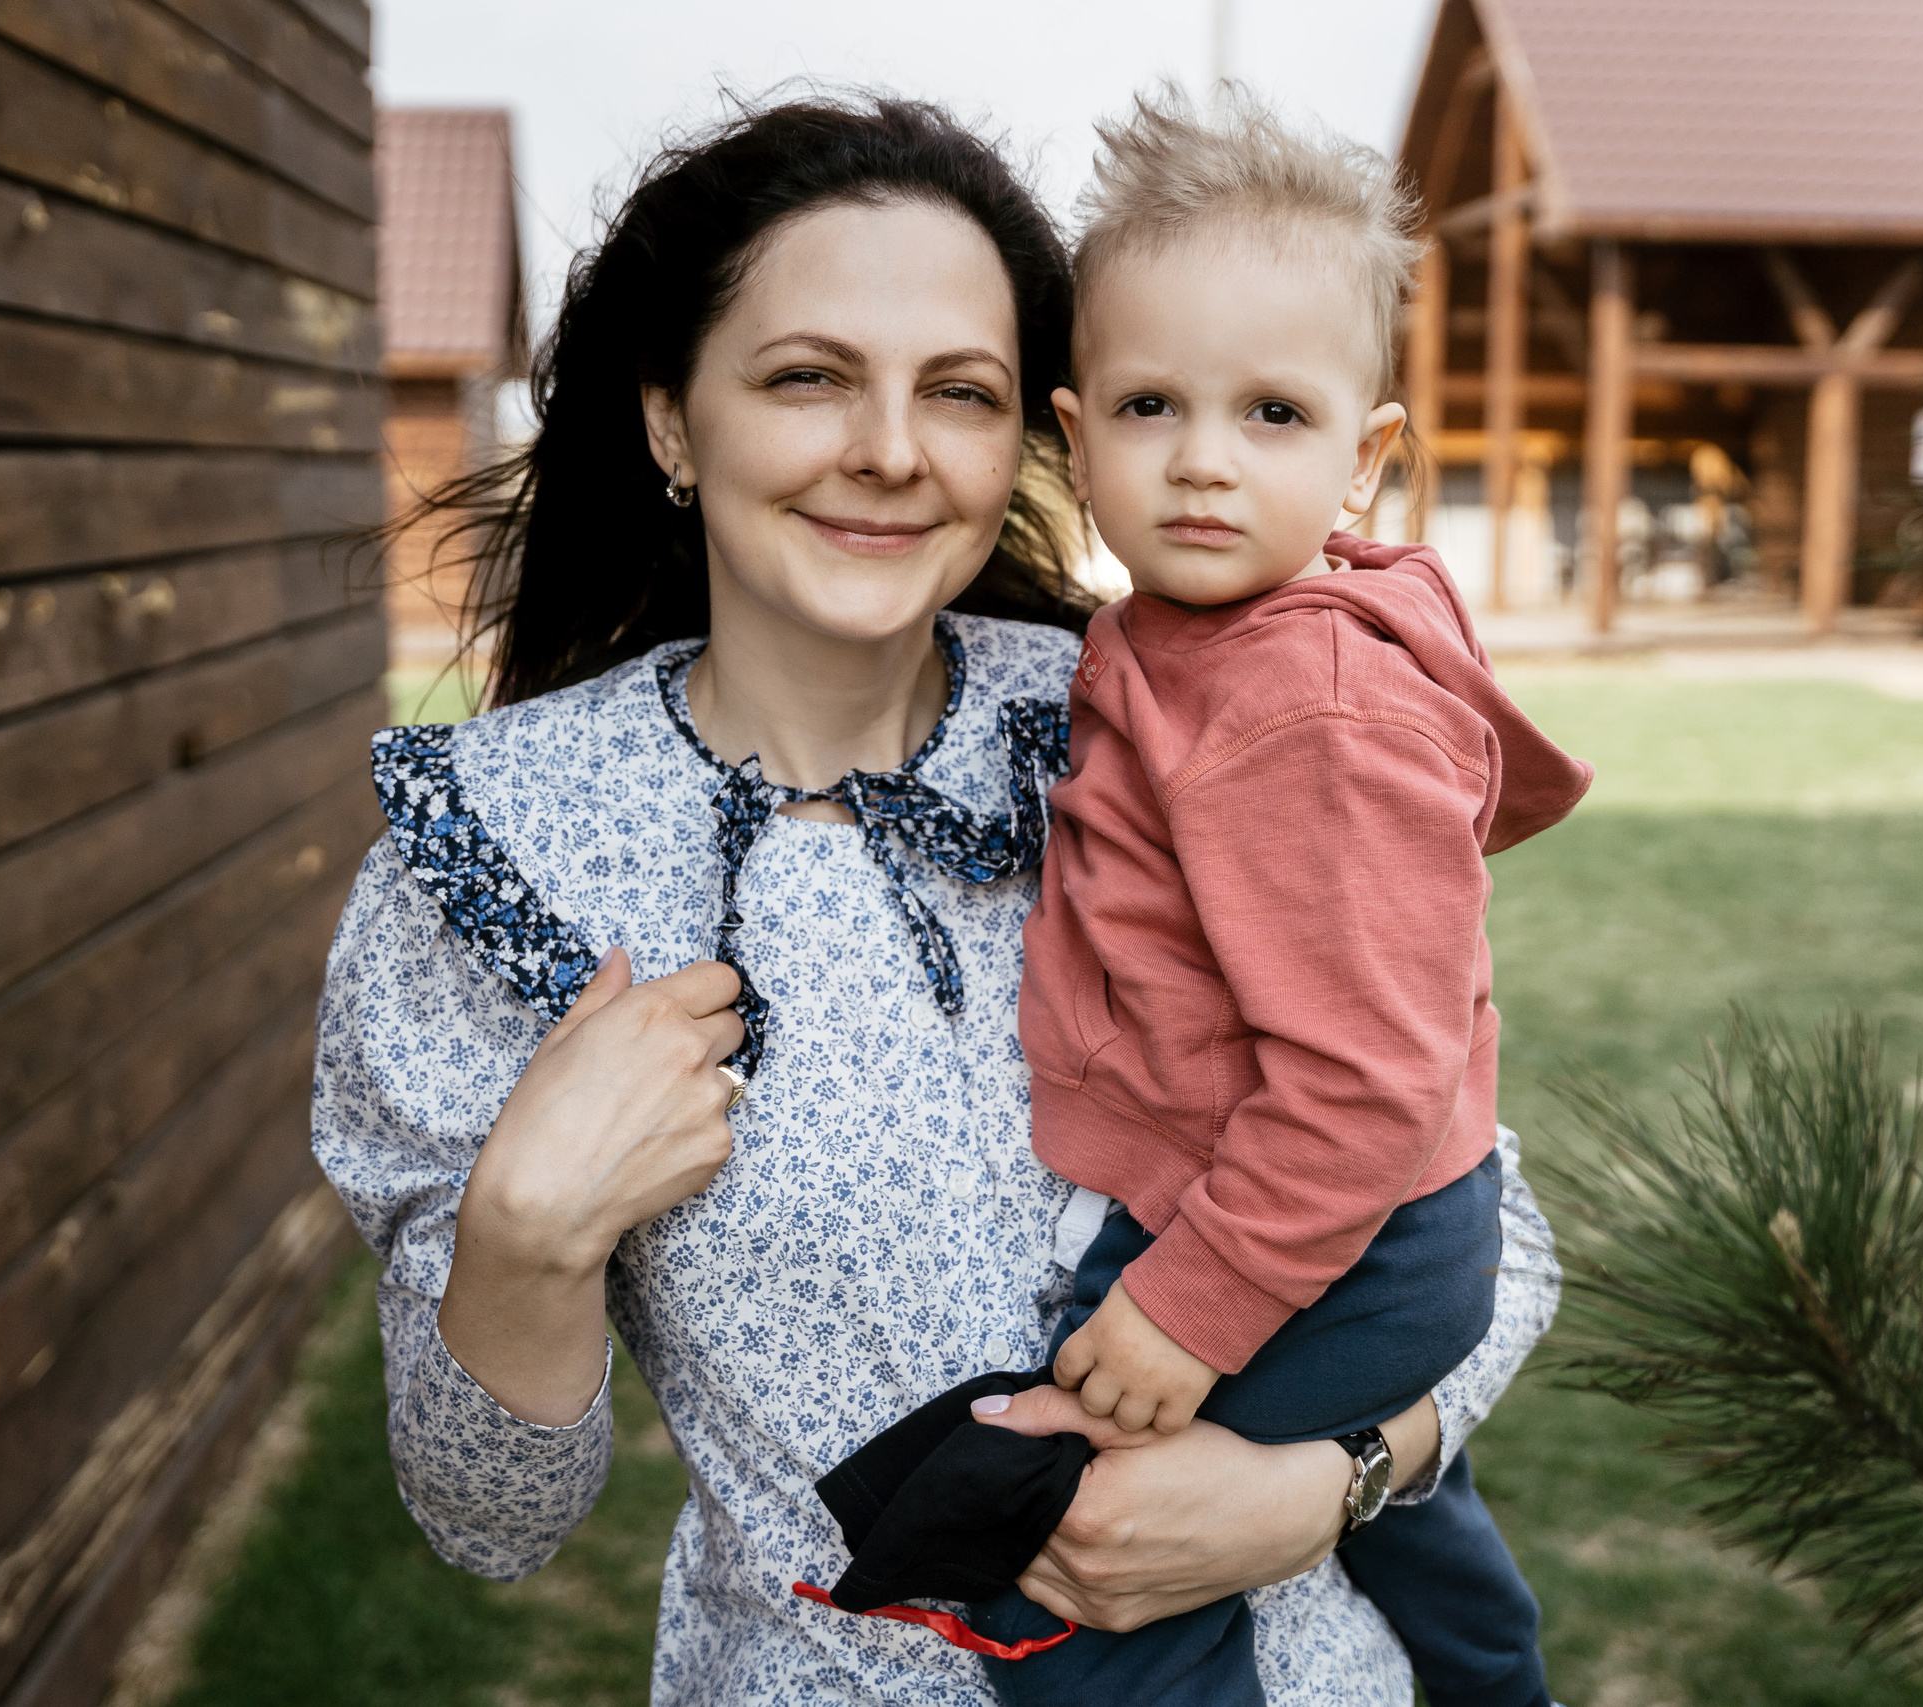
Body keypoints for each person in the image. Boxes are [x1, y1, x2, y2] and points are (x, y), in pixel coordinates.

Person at [311, 90, 1560, 1706]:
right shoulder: (497, 852)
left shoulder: (1172, 708)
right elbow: (492, 1524)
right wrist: (528, 1231)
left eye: (955, 394)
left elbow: (1489, 1222)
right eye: (808, 376)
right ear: (675, 421)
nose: (891, 451)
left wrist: (1323, 1485)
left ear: (1022, 436)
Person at [875, 88, 1589, 1705]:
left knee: (1099, 1590)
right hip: (1366, 1218)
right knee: (1422, 1530)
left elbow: (1364, 1078)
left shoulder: (1303, 710)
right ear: (1074, 434)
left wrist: (1188, 1316)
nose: (1202, 465)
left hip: (1327, 1231)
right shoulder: (1181, 641)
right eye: (1149, 408)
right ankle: (1491, 1673)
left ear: (1367, 452)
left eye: (1272, 414)